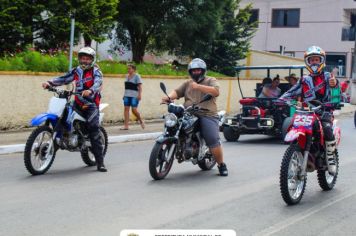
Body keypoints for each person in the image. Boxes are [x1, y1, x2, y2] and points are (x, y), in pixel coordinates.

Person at [42, 47, 107, 172]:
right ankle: (60, 140)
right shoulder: (76, 71)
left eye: (87, 58)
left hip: (91, 104)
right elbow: (64, 78)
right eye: (82, 58)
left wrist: (90, 90)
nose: (84, 60)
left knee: (93, 129)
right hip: (77, 101)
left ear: (92, 60)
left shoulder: (96, 71)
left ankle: (100, 162)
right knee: (63, 116)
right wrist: (50, 83)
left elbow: (98, 83)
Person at [161, 58, 228, 176]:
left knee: (212, 139)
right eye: (193, 70)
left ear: (203, 70)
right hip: (188, 112)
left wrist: (198, 87)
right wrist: (169, 98)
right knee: (172, 125)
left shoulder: (210, 80)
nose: (196, 72)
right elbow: (177, 92)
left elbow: (216, 91)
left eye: (198, 70)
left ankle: (221, 165)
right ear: (190, 71)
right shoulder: (188, 83)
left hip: (207, 114)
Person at [280, 46, 339, 175]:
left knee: (327, 128)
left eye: (317, 59)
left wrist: (335, 85)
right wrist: (281, 100)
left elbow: (335, 88)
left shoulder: (329, 77)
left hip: (324, 111)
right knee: (292, 124)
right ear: (308, 62)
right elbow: (290, 93)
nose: (314, 62)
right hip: (306, 111)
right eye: (311, 60)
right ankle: (298, 150)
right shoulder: (304, 80)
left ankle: (330, 158)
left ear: (321, 61)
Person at [121, 64, 145, 130]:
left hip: (134, 96)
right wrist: (124, 94)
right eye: (127, 69)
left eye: (129, 69)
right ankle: (126, 126)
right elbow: (126, 86)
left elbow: (140, 87)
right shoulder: (126, 76)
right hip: (127, 95)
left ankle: (140, 120)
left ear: (134, 69)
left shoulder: (137, 76)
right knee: (126, 109)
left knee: (134, 110)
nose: (128, 70)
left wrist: (139, 95)